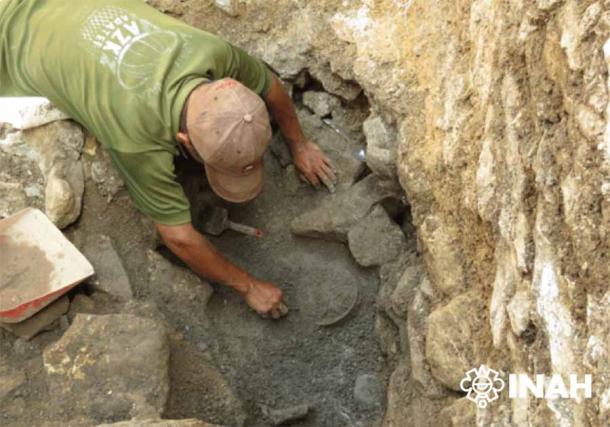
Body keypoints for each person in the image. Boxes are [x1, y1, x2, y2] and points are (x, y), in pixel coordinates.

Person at [0, 0, 337, 319]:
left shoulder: (212, 52)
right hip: (8, 36)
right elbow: (178, 237)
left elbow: (270, 86)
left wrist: (300, 143)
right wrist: (248, 286)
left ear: (232, 86)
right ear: (182, 140)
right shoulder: (135, 136)